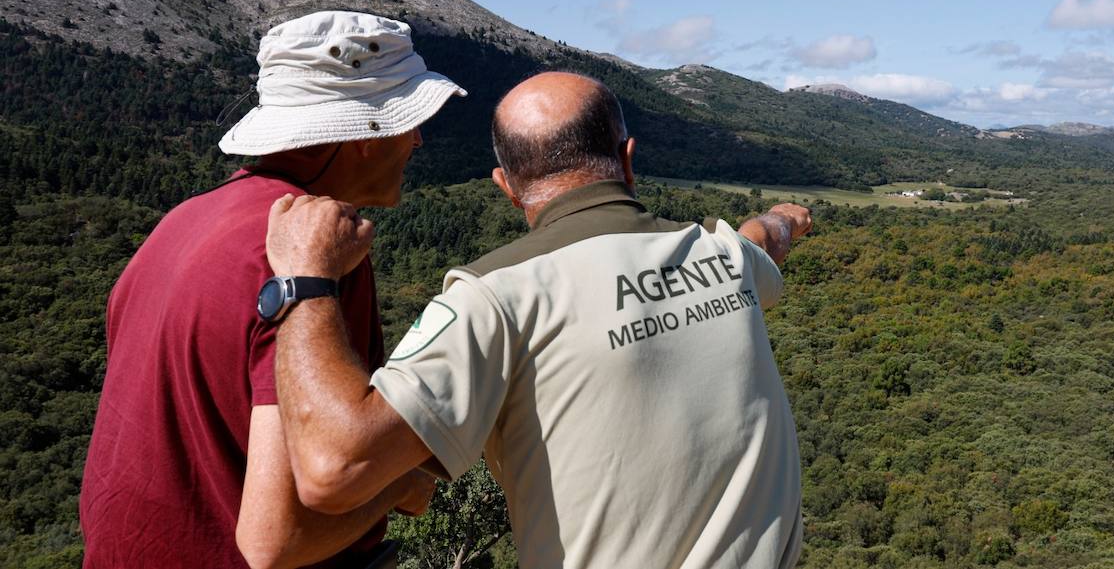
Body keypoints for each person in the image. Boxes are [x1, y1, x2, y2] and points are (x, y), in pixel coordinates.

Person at [264, 71, 812, 569]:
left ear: (506, 186)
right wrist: (784, 219)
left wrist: (306, 281)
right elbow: (762, 239)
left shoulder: (494, 298)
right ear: (627, 158)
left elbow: (335, 469)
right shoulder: (725, 259)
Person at [80, 11, 462, 569]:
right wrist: (401, 484)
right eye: (410, 119)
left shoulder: (178, 225)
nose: (419, 139)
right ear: (363, 133)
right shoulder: (314, 259)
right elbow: (280, 540)